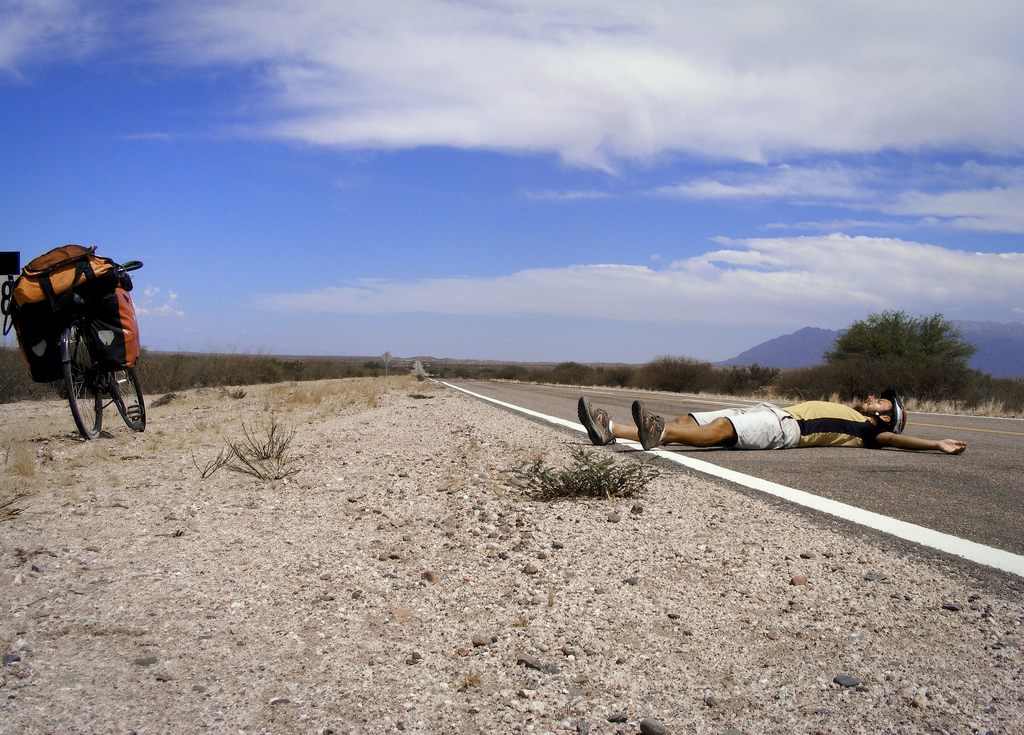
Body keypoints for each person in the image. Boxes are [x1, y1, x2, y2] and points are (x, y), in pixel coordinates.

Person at [577, 389, 966, 455]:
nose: (871, 398)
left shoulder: (871, 431)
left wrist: (935, 444)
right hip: (773, 411)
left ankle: (655, 432)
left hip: (786, 431)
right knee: (690, 419)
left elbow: (896, 442)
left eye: (880, 401)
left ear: (885, 416)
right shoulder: (857, 414)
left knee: (720, 432)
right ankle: (609, 431)